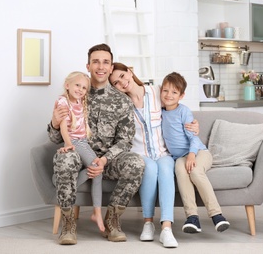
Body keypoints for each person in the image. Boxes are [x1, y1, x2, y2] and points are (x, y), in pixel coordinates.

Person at [48, 44, 145, 245]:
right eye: (96, 62)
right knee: (64, 158)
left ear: (111, 68)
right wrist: (54, 124)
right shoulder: (76, 92)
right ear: (88, 65)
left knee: (136, 163)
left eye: (105, 62)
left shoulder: (122, 101)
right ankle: (68, 225)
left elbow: (125, 141)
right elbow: (56, 140)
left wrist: (104, 159)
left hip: (107, 161)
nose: (100, 66)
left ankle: (113, 220)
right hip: (78, 156)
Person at [109, 63, 199, 248]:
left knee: (166, 169)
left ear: (130, 72)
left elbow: (177, 108)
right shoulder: (121, 105)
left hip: (162, 152)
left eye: (123, 76)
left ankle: (166, 228)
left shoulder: (157, 92)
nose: (122, 83)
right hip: (139, 154)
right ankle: (148, 224)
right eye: (116, 83)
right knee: (149, 169)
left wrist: (193, 125)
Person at [160, 72, 230, 234]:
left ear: (181, 95)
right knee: (181, 172)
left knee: (196, 172)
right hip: (179, 158)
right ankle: (192, 218)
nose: (168, 95)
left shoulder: (183, 112)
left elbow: (193, 137)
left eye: (174, 92)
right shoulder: (160, 112)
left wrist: (192, 154)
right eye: (165, 90)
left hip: (199, 152)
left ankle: (217, 215)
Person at [55, 71, 104, 235]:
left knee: (97, 170)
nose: (81, 89)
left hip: (84, 142)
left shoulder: (82, 101)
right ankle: (96, 213)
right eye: (77, 85)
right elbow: (63, 126)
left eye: (84, 87)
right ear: (67, 85)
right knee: (97, 168)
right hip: (75, 143)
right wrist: (69, 144)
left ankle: (63, 184)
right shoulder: (63, 101)